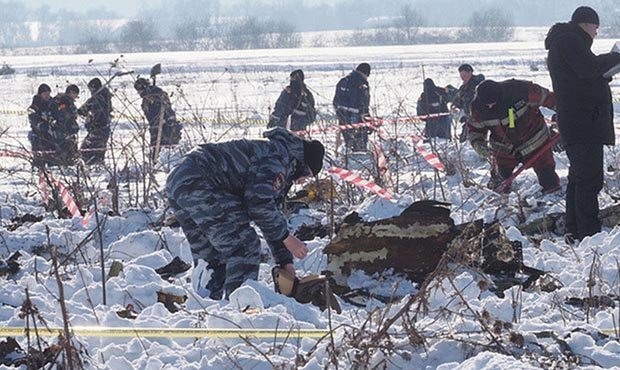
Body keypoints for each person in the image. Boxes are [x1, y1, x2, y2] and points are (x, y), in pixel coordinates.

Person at [166, 127, 325, 300]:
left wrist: (284, 262)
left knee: (212, 255)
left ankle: (207, 309)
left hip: (180, 180)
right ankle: (241, 310)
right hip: (200, 181)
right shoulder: (278, 160)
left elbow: (271, 214)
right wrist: (288, 239)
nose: (302, 181)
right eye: (307, 175)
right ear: (303, 163)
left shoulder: (278, 154)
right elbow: (259, 204)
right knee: (244, 248)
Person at [545, 6, 620, 241]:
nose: (596, 33)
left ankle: (574, 229)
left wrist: (604, 73)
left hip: (579, 122)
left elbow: (584, 75)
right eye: (595, 28)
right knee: (589, 179)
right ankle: (588, 232)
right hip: (583, 123)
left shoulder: (566, 43)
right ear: (585, 24)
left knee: (579, 179)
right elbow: (588, 69)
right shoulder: (569, 41)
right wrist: (616, 58)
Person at [469, 79, 561, 193]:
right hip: (504, 150)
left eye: (493, 103)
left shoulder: (520, 89)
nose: (490, 107)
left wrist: (566, 111)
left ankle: (552, 198)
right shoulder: (477, 108)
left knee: (547, 175)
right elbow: (475, 130)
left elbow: (549, 98)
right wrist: (479, 145)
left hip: (536, 142)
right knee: (500, 183)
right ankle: (501, 203)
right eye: (487, 104)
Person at [134, 77, 182, 160]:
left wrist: (155, 102)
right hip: (155, 128)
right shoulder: (146, 100)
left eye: (140, 90)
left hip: (166, 126)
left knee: (167, 147)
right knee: (156, 148)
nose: (139, 93)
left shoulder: (158, 94)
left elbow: (165, 108)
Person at [333, 63, 371, 152]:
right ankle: (359, 162)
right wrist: (367, 120)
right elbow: (364, 104)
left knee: (349, 143)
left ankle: (348, 161)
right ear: (366, 73)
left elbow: (335, 102)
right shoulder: (362, 83)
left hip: (342, 117)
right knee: (359, 145)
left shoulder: (343, 81)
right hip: (357, 118)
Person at [78, 78, 112, 165]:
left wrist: (90, 123)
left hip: (98, 128)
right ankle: (97, 164)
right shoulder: (99, 97)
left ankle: (93, 165)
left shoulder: (100, 99)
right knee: (97, 149)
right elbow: (86, 107)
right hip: (102, 128)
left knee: (87, 150)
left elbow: (96, 113)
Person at [452, 64, 485, 142]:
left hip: (480, 118)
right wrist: (455, 107)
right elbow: (458, 101)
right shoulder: (463, 88)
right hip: (469, 119)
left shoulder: (478, 84)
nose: (463, 78)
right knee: (463, 140)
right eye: (461, 75)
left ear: (470, 72)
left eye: (464, 75)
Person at [27, 84, 57, 168]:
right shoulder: (33, 107)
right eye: (45, 94)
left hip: (51, 138)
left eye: (48, 93)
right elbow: (34, 121)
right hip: (38, 138)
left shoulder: (52, 104)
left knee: (53, 164)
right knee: (39, 164)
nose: (47, 96)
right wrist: (45, 126)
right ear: (40, 94)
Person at [52, 84, 80, 166]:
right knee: (65, 154)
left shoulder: (66, 102)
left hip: (67, 132)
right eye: (75, 95)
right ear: (71, 92)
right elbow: (64, 117)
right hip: (64, 132)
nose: (75, 97)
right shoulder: (64, 102)